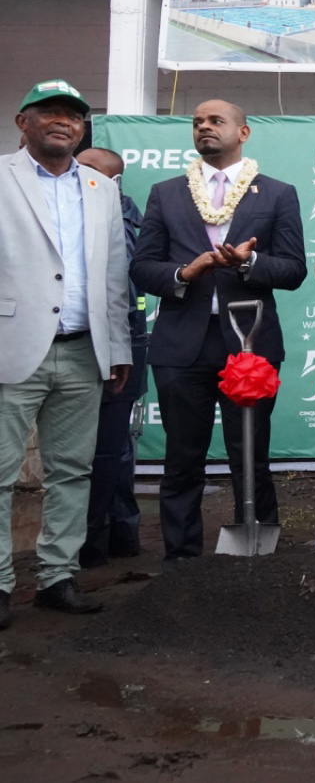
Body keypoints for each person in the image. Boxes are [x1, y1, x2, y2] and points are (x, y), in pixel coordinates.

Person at [131, 100, 307, 563]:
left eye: (215, 121)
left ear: (244, 132)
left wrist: (249, 262)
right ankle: (181, 562)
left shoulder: (276, 193)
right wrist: (186, 273)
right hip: (180, 344)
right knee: (181, 459)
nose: (204, 127)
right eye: (197, 123)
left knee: (250, 456)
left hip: (250, 343)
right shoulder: (166, 193)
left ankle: (259, 551)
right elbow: (143, 268)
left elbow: (292, 270)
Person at [0, 80, 130, 624]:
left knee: (72, 471)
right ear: (22, 122)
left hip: (82, 351)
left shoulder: (102, 188)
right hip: (11, 347)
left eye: (74, 116)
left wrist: (118, 346)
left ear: (83, 129)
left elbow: (115, 275)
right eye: (49, 112)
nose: (63, 121)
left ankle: (57, 577)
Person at [74, 148, 146, 568]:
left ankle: (102, 540)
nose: (75, 175)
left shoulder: (124, 214)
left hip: (123, 339)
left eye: (86, 170)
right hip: (74, 336)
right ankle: (115, 534)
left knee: (111, 446)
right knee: (107, 447)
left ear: (112, 181)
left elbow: (129, 271)